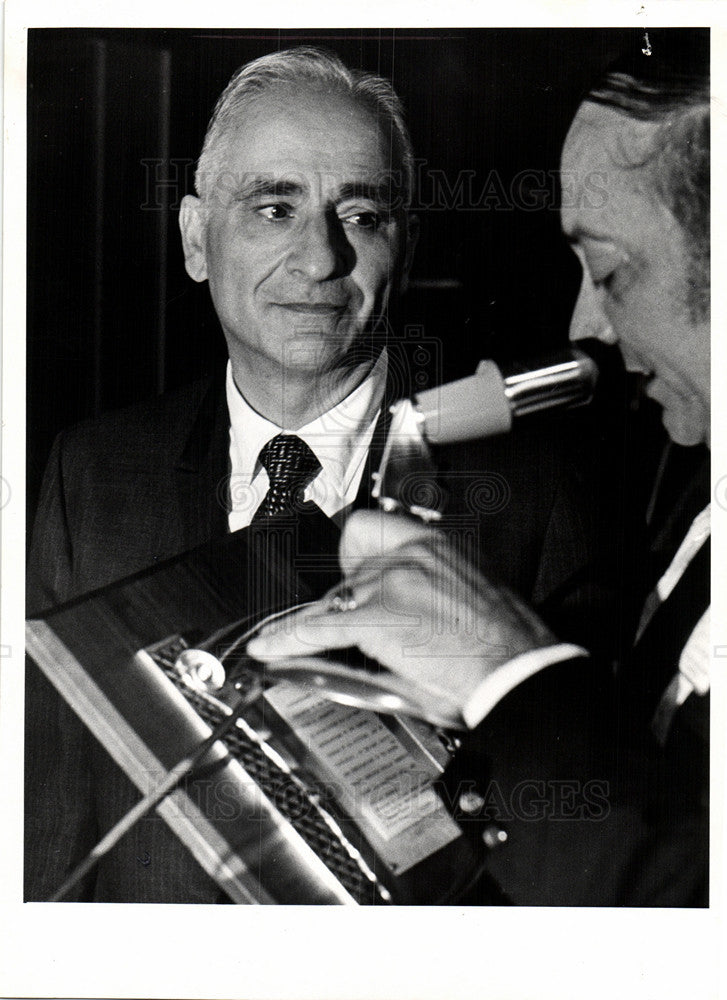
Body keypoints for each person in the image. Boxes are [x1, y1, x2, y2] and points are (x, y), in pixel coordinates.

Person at [25, 46, 600, 902]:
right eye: (272, 207)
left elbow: (574, 836)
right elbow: (48, 812)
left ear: (406, 246)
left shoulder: (536, 494)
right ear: (194, 238)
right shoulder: (93, 473)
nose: (320, 259)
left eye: (361, 215)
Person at [249, 35, 711, 906]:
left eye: (608, 269)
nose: (590, 326)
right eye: (271, 208)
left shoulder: (574, 487)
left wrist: (509, 673)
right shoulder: (692, 495)